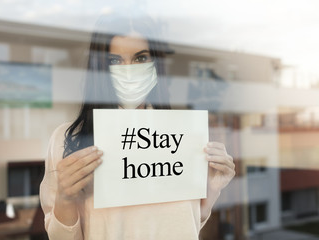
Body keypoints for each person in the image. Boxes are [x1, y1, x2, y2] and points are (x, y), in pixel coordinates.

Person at [40, 12, 235, 240]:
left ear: (155, 63)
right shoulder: (67, 140)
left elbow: (184, 226)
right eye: (114, 60)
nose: (128, 69)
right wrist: (64, 198)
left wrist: (211, 190)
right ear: (100, 67)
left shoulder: (183, 136)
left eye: (141, 58)